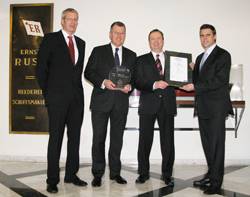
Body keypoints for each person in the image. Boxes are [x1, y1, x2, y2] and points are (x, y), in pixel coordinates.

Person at [36, 8, 87, 193]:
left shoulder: (81, 43)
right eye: (69, 19)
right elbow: (41, 69)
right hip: (56, 99)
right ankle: (52, 179)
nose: (73, 22)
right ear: (62, 21)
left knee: (74, 139)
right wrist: (48, 95)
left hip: (76, 100)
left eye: (76, 19)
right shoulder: (50, 39)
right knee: (55, 139)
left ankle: (72, 175)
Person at [181, 24, 233, 195]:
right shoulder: (200, 57)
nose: (204, 38)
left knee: (217, 146)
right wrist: (191, 69)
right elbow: (197, 80)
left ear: (215, 36)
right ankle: (211, 175)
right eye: (202, 35)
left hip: (217, 107)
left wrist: (195, 84)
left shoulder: (223, 55)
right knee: (208, 145)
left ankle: (216, 183)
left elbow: (219, 80)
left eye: (208, 35)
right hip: (202, 107)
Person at [84, 21, 136, 187]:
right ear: (110, 34)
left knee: (117, 139)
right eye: (116, 32)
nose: (119, 36)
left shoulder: (131, 55)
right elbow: (88, 72)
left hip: (120, 103)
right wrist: (103, 82)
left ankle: (115, 173)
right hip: (101, 102)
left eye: (122, 33)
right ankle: (97, 174)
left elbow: (134, 78)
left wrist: (130, 86)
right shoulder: (98, 51)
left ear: (125, 35)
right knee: (99, 139)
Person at [134, 29, 176, 186]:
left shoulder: (174, 59)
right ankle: (143, 173)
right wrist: (154, 84)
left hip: (167, 104)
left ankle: (167, 175)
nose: (156, 41)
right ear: (149, 41)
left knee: (168, 142)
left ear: (163, 40)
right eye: (153, 39)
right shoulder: (141, 60)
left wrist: (190, 68)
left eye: (159, 38)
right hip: (148, 104)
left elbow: (181, 78)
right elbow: (137, 81)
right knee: (144, 141)